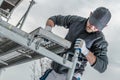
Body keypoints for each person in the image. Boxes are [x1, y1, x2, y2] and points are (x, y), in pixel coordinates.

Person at [40, 7, 111, 80]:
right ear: (90, 14)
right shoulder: (76, 20)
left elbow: (102, 67)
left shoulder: (99, 40)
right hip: (55, 69)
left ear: (104, 26)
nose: (92, 27)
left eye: (96, 27)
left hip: (72, 74)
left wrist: (85, 51)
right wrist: (47, 30)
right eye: (92, 22)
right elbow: (54, 19)